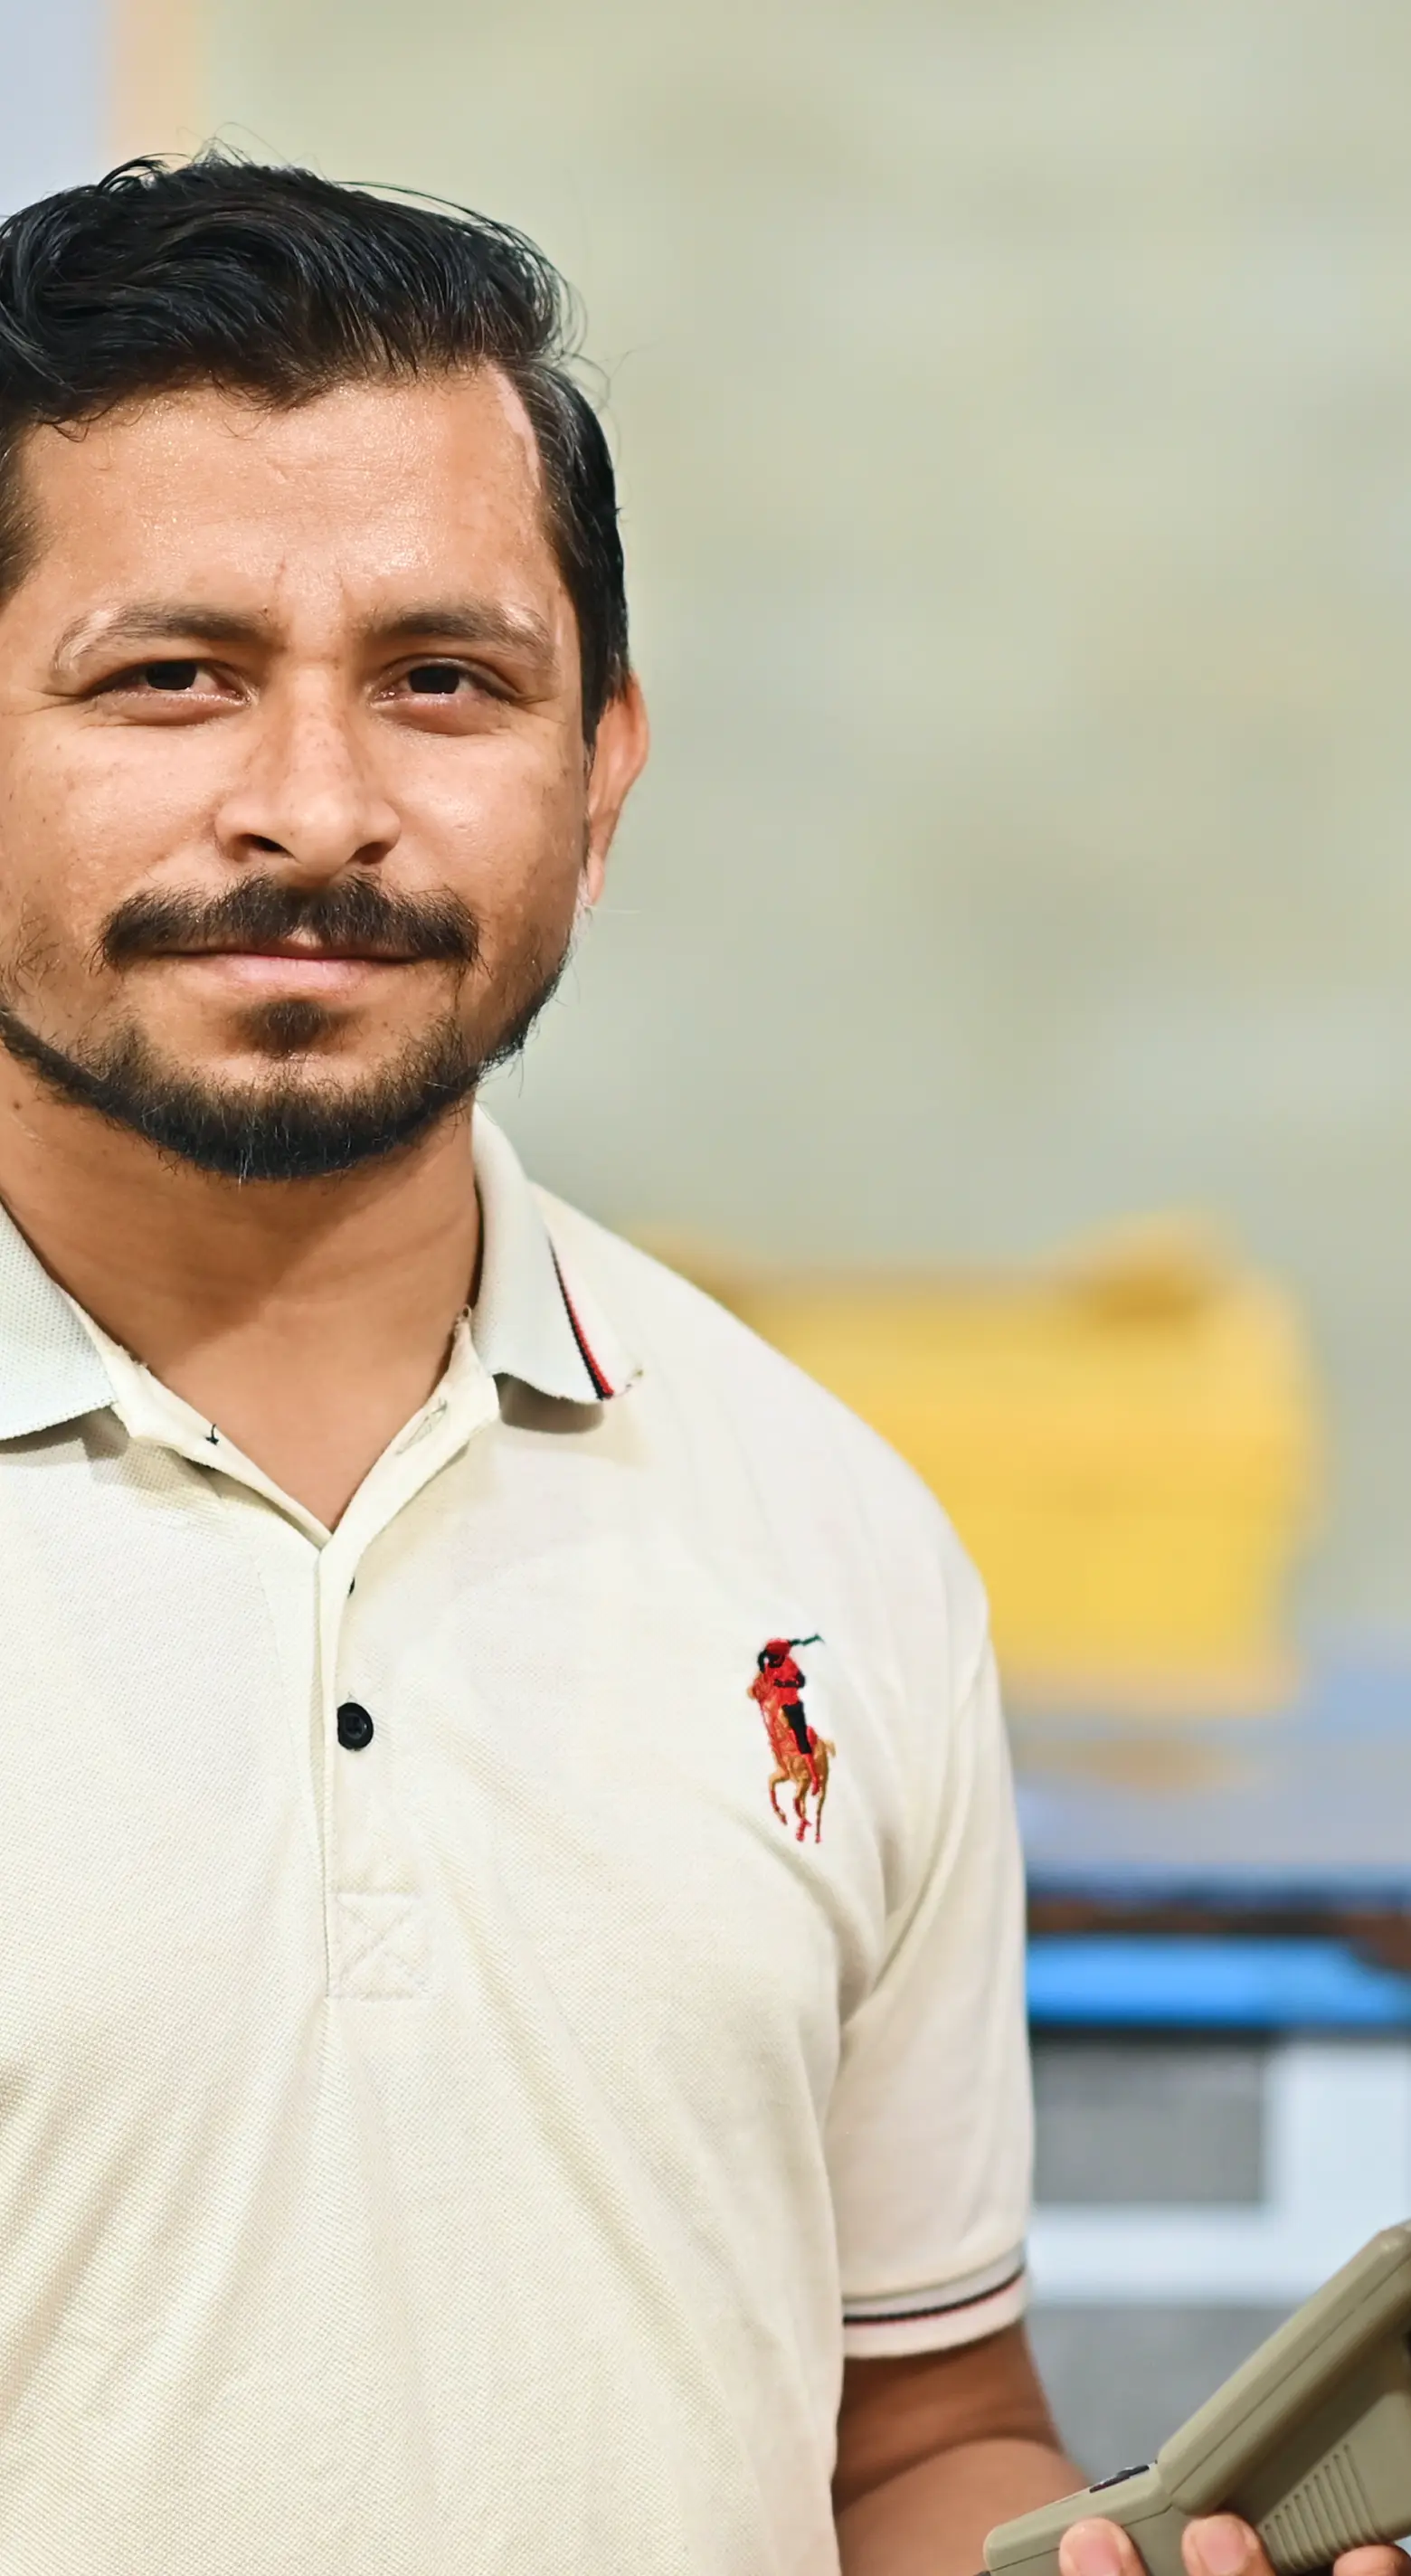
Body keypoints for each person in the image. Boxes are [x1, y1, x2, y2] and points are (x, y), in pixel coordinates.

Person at [0, 152, 1392, 2576]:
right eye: (170, 675)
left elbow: (909, 2434)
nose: (314, 808)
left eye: (446, 682)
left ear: (603, 767)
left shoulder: (825, 1536)